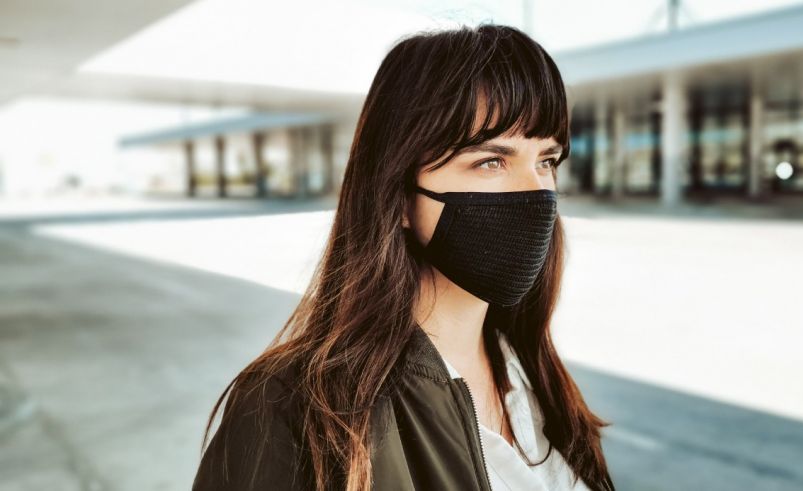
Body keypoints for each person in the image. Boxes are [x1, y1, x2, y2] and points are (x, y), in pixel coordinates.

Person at [192, 23, 616, 491]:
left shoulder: (534, 374)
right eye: (490, 162)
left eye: (546, 161)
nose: (537, 192)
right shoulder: (291, 409)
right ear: (398, 198)